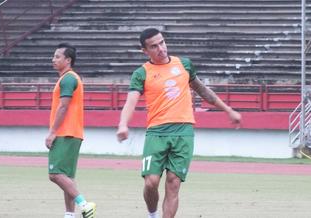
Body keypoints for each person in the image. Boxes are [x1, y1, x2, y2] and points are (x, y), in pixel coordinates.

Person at [116, 28, 242, 218]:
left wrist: (228, 110)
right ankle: (152, 214)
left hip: (183, 131)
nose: (160, 48)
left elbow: (203, 90)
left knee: (173, 182)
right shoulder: (141, 73)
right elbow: (131, 101)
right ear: (145, 51)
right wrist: (123, 124)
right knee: (151, 182)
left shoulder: (184, 65)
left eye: (162, 42)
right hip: (156, 132)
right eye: (154, 46)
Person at [46, 43, 96, 218]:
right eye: (54, 56)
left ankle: (84, 204)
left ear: (68, 60)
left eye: (57, 56)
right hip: (73, 133)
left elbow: (63, 107)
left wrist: (52, 132)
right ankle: (69, 215)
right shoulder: (70, 78)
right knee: (67, 177)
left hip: (65, 133)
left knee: (55, 174)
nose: (53, 60)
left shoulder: (68, 79)